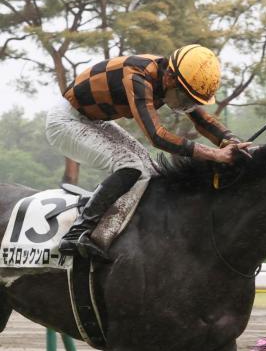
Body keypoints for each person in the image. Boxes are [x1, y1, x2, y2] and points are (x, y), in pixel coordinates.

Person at [45, 45, 252, 259]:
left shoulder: (173, 77)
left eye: (192, 102)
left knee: (150, 169)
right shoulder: (138, 76)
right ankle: (78, 232)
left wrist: (232, 141)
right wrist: (215, 154)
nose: (186, 106)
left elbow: (202, 120)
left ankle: (130, 228)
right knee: (131, 166)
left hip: (93, 120)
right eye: (185, 99)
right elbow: (157, 136)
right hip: (64, 122)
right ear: (170, 77)